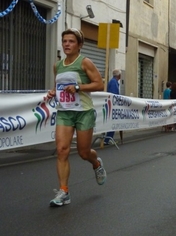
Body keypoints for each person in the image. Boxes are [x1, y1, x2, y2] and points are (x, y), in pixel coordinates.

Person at [45, 28, 106, 207]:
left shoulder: (84, 62)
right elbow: (60, 86)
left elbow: (99, 84)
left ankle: (96, 163)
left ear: (79, 45)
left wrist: (79, 88)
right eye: (64, 41)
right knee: (62, 149)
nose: (67, 44)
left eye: (71, 41)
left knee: (83, 152)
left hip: (83, 112)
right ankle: (64, 191)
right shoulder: (58, 65)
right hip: (64, 111)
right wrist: (53, 92)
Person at [104, 69, 123, 145]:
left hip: (111, 105)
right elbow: (114, 95)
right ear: (119, 75)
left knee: (113, 122)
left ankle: (108, 139)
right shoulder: (113, 82)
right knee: (113, 122)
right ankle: (108, 139)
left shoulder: (114, 82)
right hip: (112, 105)